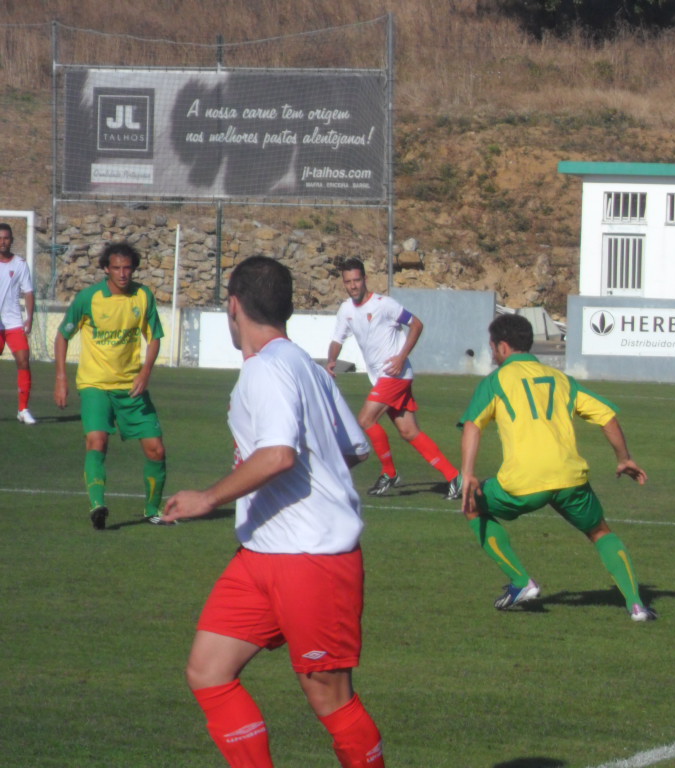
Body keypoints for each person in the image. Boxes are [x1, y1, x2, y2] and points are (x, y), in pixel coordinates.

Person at [162, 256, 386, 768]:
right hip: (261, 552)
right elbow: (353, 448)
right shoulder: (306, 365)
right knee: (208, 671)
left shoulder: (268, 368)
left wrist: (208, 497)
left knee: (329, 695)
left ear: (233, 306)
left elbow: (279, 454)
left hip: (312, 558)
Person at [459, 313, 656, 621]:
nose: (493, 353)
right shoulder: (561, 379)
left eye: (493, 347)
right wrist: (624, 458)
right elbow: (607, 416)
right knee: (600, 531)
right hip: (569, 478)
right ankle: (637, 606)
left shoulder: (495, 381)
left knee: (472, 504)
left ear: (503, 347)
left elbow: (473, 425)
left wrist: (468, 474)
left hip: (523, 481)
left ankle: (521, 581)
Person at [54, 242, 168, 529]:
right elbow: (63, 335)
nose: (123, 273)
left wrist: (145, 372)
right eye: (116, 268)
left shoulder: (143, 296)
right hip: (95, 384)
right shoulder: (89, 298)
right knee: (97, 441)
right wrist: (61, 378)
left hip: (131, 386)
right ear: (106, 269)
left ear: (134, 268)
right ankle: (97, 506)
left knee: (156, 449)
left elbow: (154, 336)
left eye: (127, 267)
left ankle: (152, 510)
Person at [326, 257, 460, 500]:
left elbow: (416, 324)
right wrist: (331, 360)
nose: (353, 285)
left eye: (357, 280)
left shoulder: (384, 305)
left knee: (365, 419)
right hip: (382, 378)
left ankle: (389, 472)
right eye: (348, 282)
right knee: (409, 432)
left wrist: (401, 356)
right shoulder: (346, 310)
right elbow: (337, 339)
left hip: (394, 375)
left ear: (365, 279)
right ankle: (455, 477)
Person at [0, 222, 36, 424]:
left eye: (6, 238)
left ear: (12, 240)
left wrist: (29, 318)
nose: (2, 242)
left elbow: (28, 292)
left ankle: (23, 409)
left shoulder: (20, 264)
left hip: (13, 322)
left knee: (23, 360)